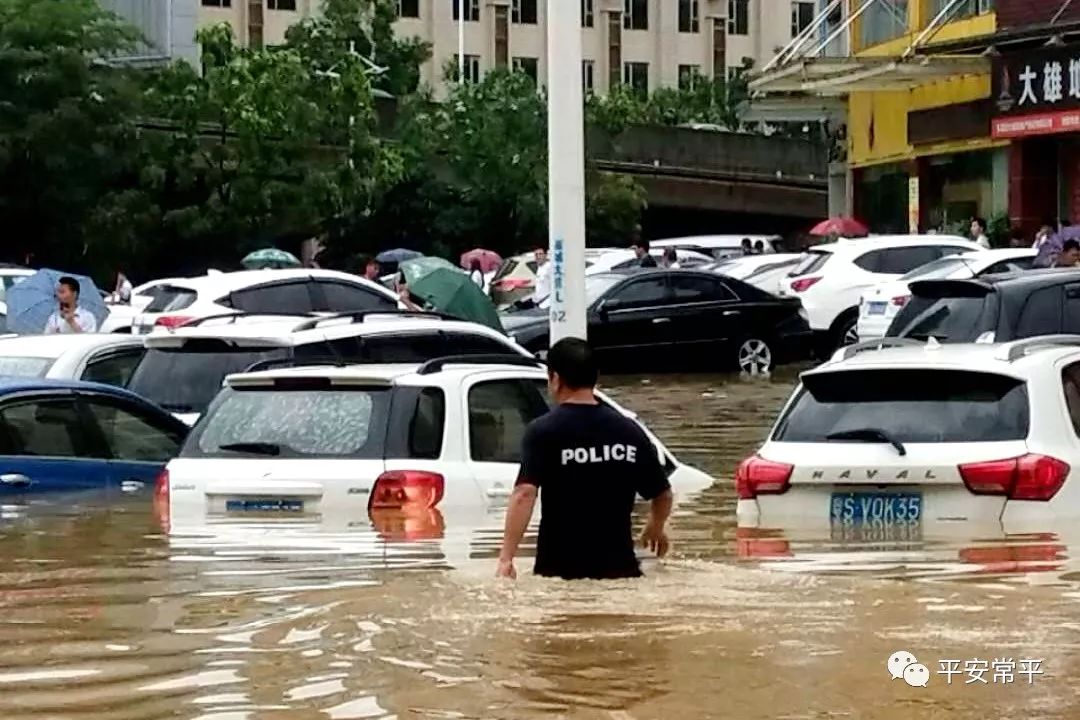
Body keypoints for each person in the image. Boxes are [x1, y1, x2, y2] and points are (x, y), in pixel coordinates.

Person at [496, 338, 673, 581]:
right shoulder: (628, 430)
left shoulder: (543, 431)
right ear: (596, 377)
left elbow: (525, 494)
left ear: (555, 379)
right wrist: (656, 526)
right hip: (621, 573)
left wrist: (506, 558)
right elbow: (662, 493)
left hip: (559, 573)